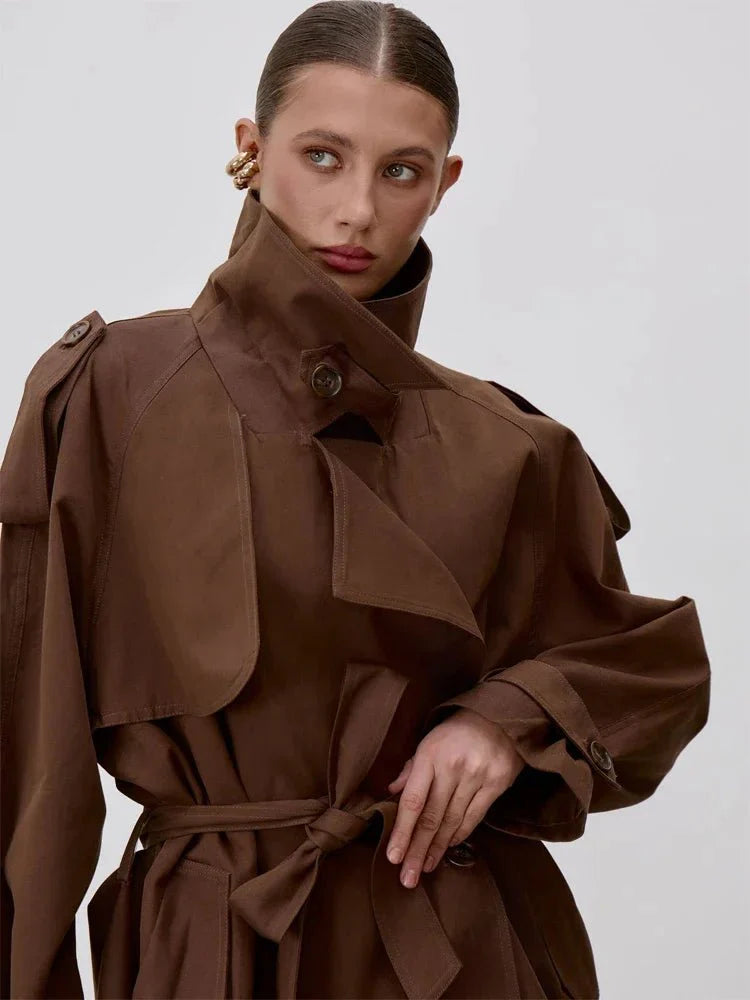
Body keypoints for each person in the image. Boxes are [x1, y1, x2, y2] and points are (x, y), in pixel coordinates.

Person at [0, 2, 711, 998]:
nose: (358, 210)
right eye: (323, 157)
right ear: (252, 150)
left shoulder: (511, 446)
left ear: (445, 184)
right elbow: (28, 763)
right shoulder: (113, 392)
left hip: (460, 947)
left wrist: (505, 720)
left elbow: (651, 665)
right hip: (211, 952)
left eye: (401, 171)